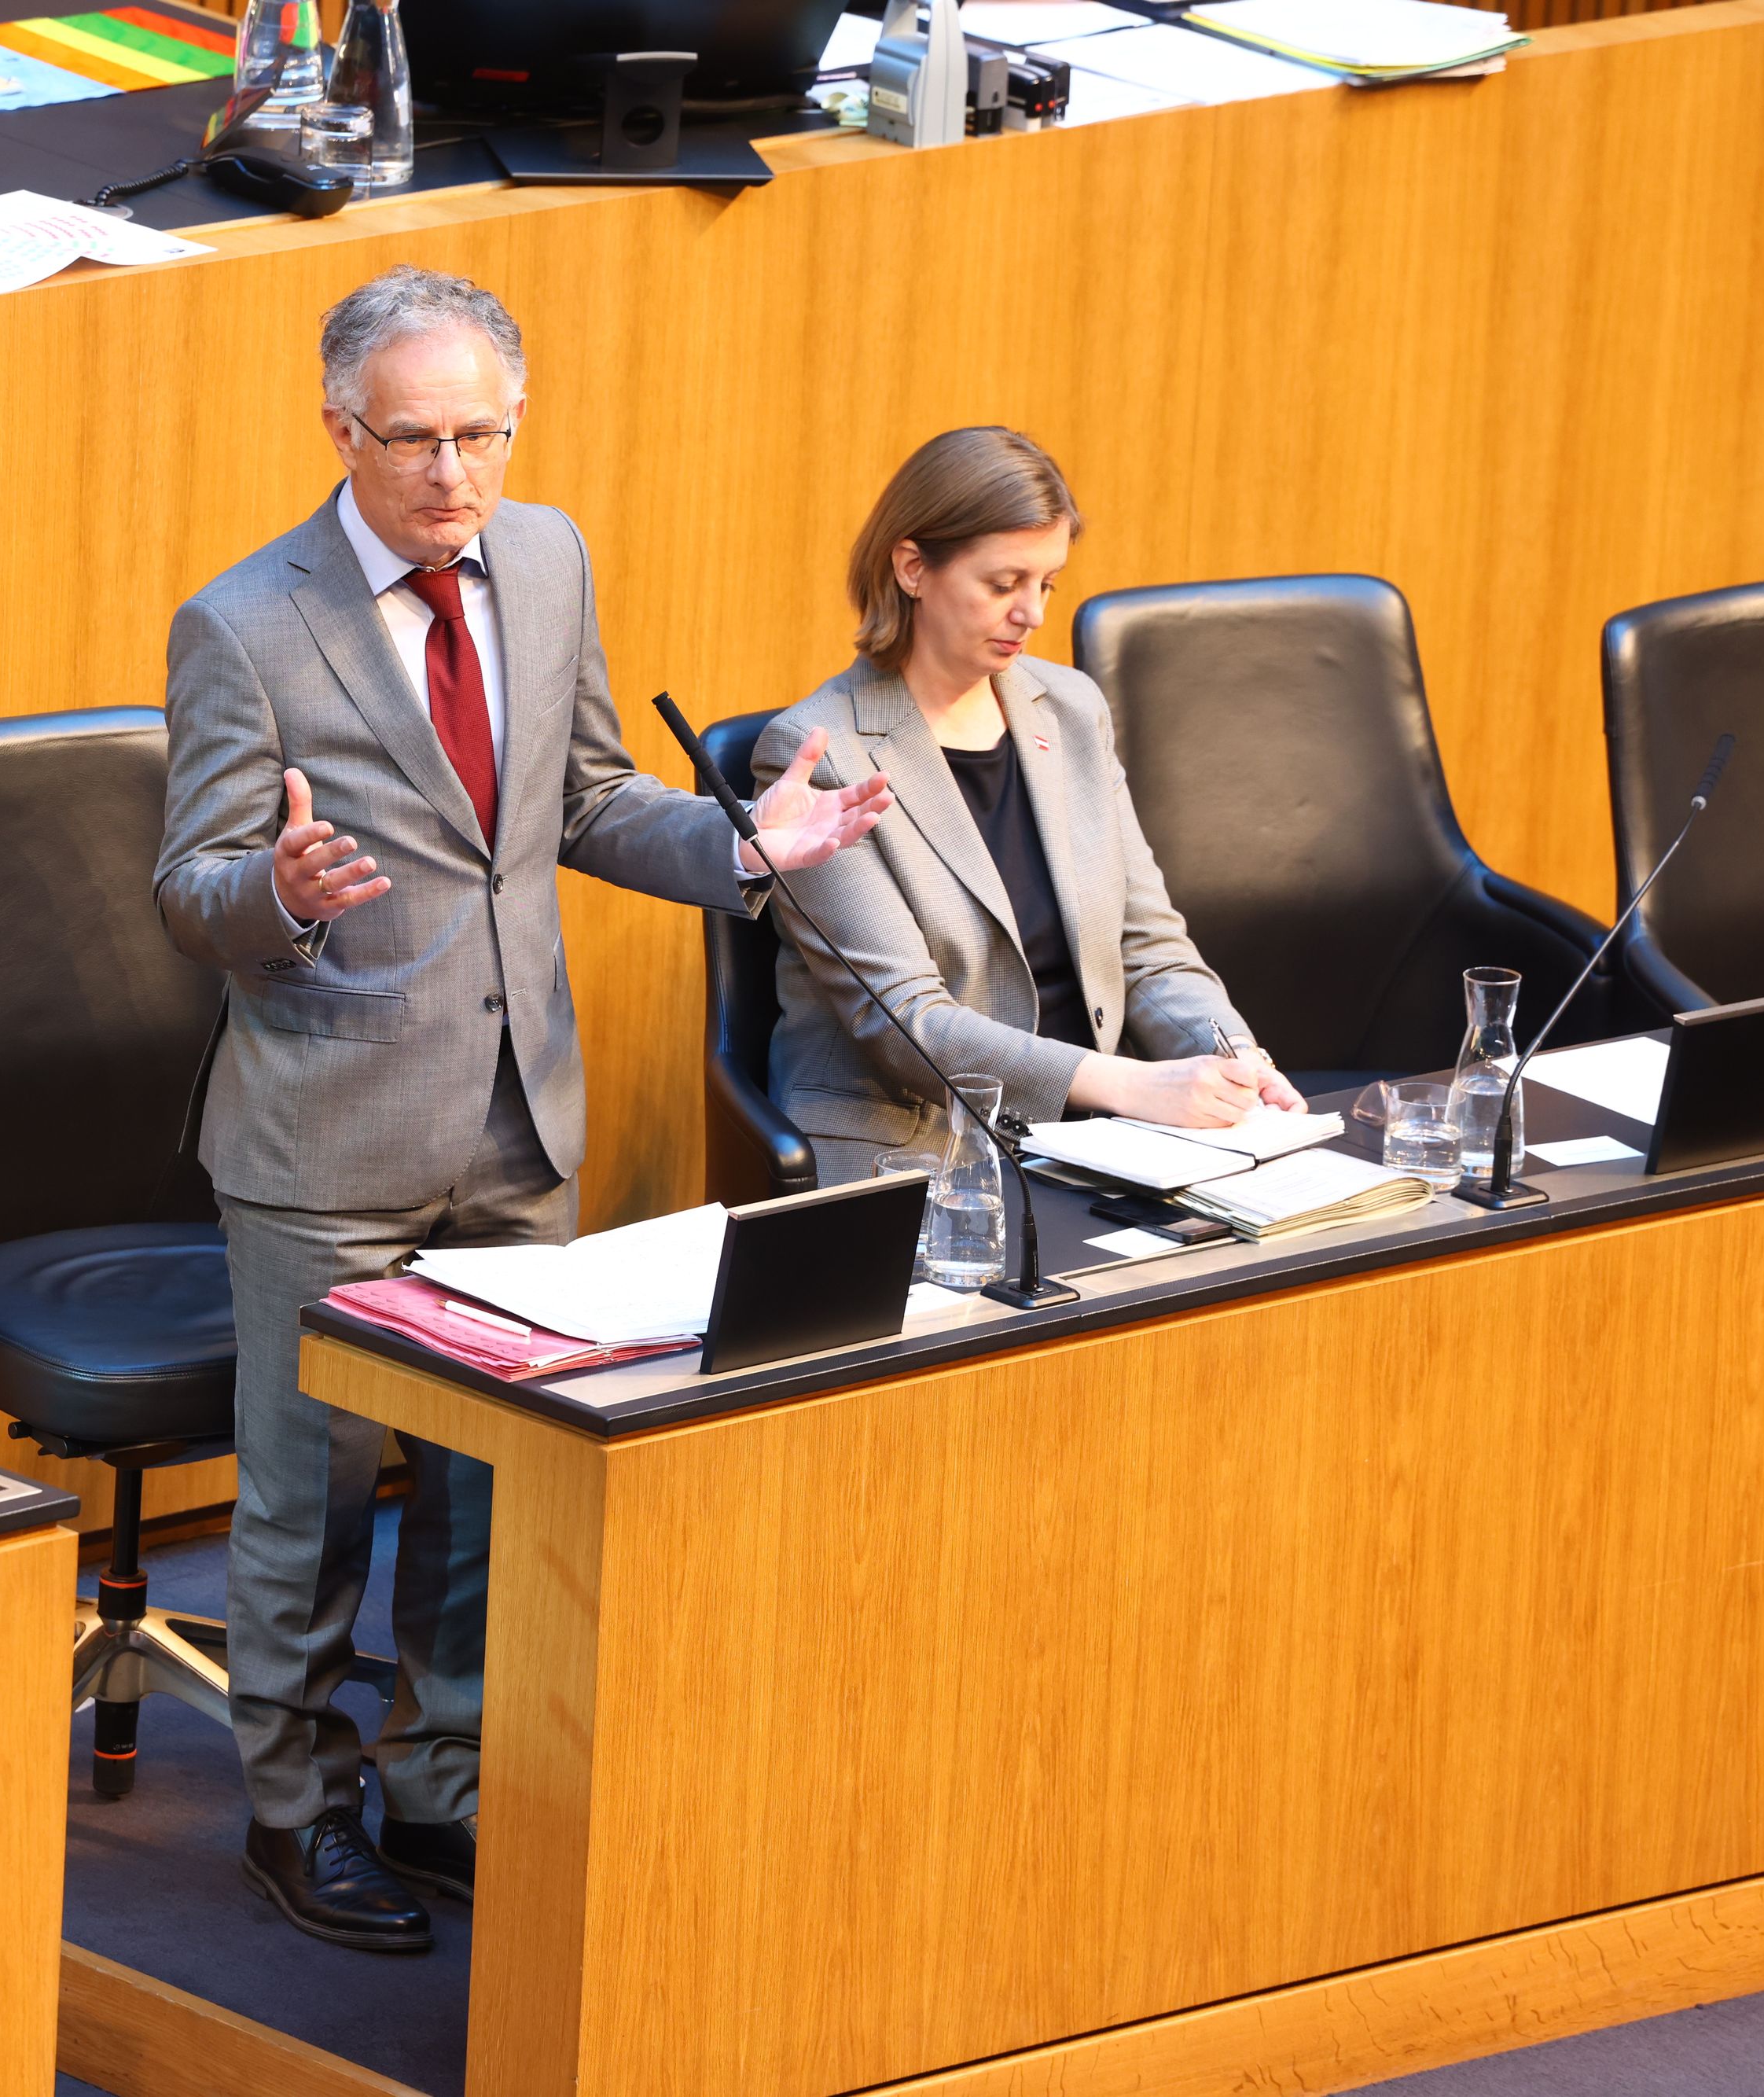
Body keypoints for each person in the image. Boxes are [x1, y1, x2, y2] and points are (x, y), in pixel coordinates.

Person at [155, 265, 891, 1953]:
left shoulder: (542, 557)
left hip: (513, 1115)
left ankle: (437, 1778)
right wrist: (274, 889)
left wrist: (741, 850)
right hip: (323, 1132)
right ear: (337, 431)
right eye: (412, 440)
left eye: (480, 434)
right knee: (308, 1494)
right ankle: (290, 1803)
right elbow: (189, 889)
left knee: (494, 1482)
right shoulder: (244, 623)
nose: (451, 476)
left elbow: (579, 797)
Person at [755, 426, 1301, 1183]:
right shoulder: (819, 754)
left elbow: (1148, 948)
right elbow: (909, 1024)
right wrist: (1137, 1088)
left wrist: (1237, 1063)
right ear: (913, 568)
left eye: (1047, 584)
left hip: (1098, 1141)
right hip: (920, 1145)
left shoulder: (1071, 710)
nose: (1033, 613)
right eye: (1004, 584)